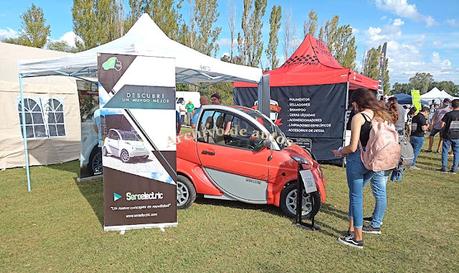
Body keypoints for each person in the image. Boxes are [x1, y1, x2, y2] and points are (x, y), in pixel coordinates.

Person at [332, 88, 393, 249]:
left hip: (357, 161)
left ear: (356, 102)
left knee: (356, 197)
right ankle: (351, 229)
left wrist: (339, 152)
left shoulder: (358, 117)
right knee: (355, 196)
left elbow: (352, 147)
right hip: (374, 161)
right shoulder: (381, 115)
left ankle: (357, 237)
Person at [440, 99, 459, 174]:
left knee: (445, 151)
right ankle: (454, 168)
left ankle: (444, 167)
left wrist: (442, 132)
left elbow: (442, 124)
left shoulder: (448, 114)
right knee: (457, 152)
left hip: (448, 135)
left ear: (451, 105)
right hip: (457, 136)